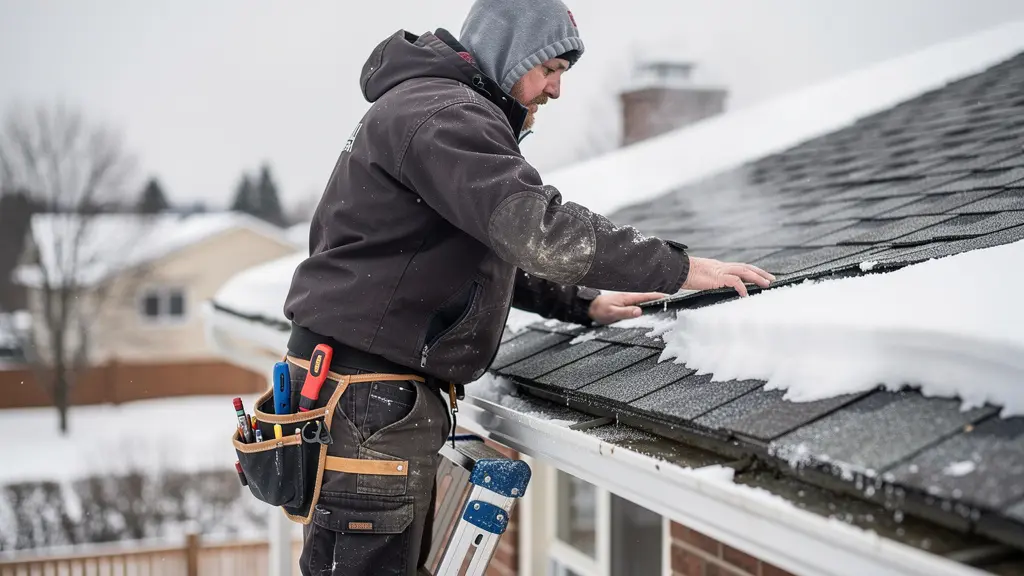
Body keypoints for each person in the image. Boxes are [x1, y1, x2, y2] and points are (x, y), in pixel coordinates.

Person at [280, 1, 774, 574]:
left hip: (362, 388)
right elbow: (536, 229)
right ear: (508, 53)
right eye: (551, 69)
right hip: (369, 395)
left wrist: (581, 302)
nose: (556, 91)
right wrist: (678, 268)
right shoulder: (444, 113)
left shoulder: (430, 106)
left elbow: (482, 246)